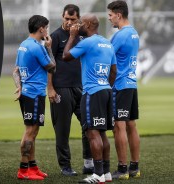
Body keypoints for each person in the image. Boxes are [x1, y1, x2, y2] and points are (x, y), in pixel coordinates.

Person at [63, 14, 117, 183]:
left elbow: (66, 56)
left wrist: (72, 37)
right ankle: (106, 173)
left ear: (86, 24)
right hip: (107, 90)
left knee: (92, 133)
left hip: (93, 92)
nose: (77, 25)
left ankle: (98, 174)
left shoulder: (86, 42)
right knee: (102, 133)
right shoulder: (108, 43)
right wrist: (105, 85)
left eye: (79, 23)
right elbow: (114, 71)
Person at [48, 4, 93, 176]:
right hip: (61, 89)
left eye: (72, 19)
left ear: (78, 19)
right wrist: (50, 88)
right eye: (66, 18)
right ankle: (65, 166)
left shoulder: (82, 36)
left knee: (89, 126)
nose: (68, 22)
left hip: (81, 88)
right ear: (62, 17)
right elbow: (49, 65)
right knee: (62, 129)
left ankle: (88, 162)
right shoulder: (56, 37)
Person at [13, 15, 56, 181]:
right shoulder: (37, 47)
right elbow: (52, 67)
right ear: (41, 29)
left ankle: (32, 167)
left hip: (28, 93)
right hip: (34, 94)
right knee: (30, 132)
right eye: (46, 27)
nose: (47, 30)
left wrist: (19, 87)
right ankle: (23, 170)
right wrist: (49, 48)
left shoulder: (23, 45)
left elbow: (15, 71)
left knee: (34, 131)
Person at [107, 0, 141, 180]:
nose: (110, 18)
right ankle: (135, 167)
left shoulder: (120, 35)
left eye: (111, 15)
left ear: (119, 15)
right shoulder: (134, 33)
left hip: (119, 85)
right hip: (131, 84)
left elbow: (106, 55)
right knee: (131, 125)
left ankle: (122, 169)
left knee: (118, 126)